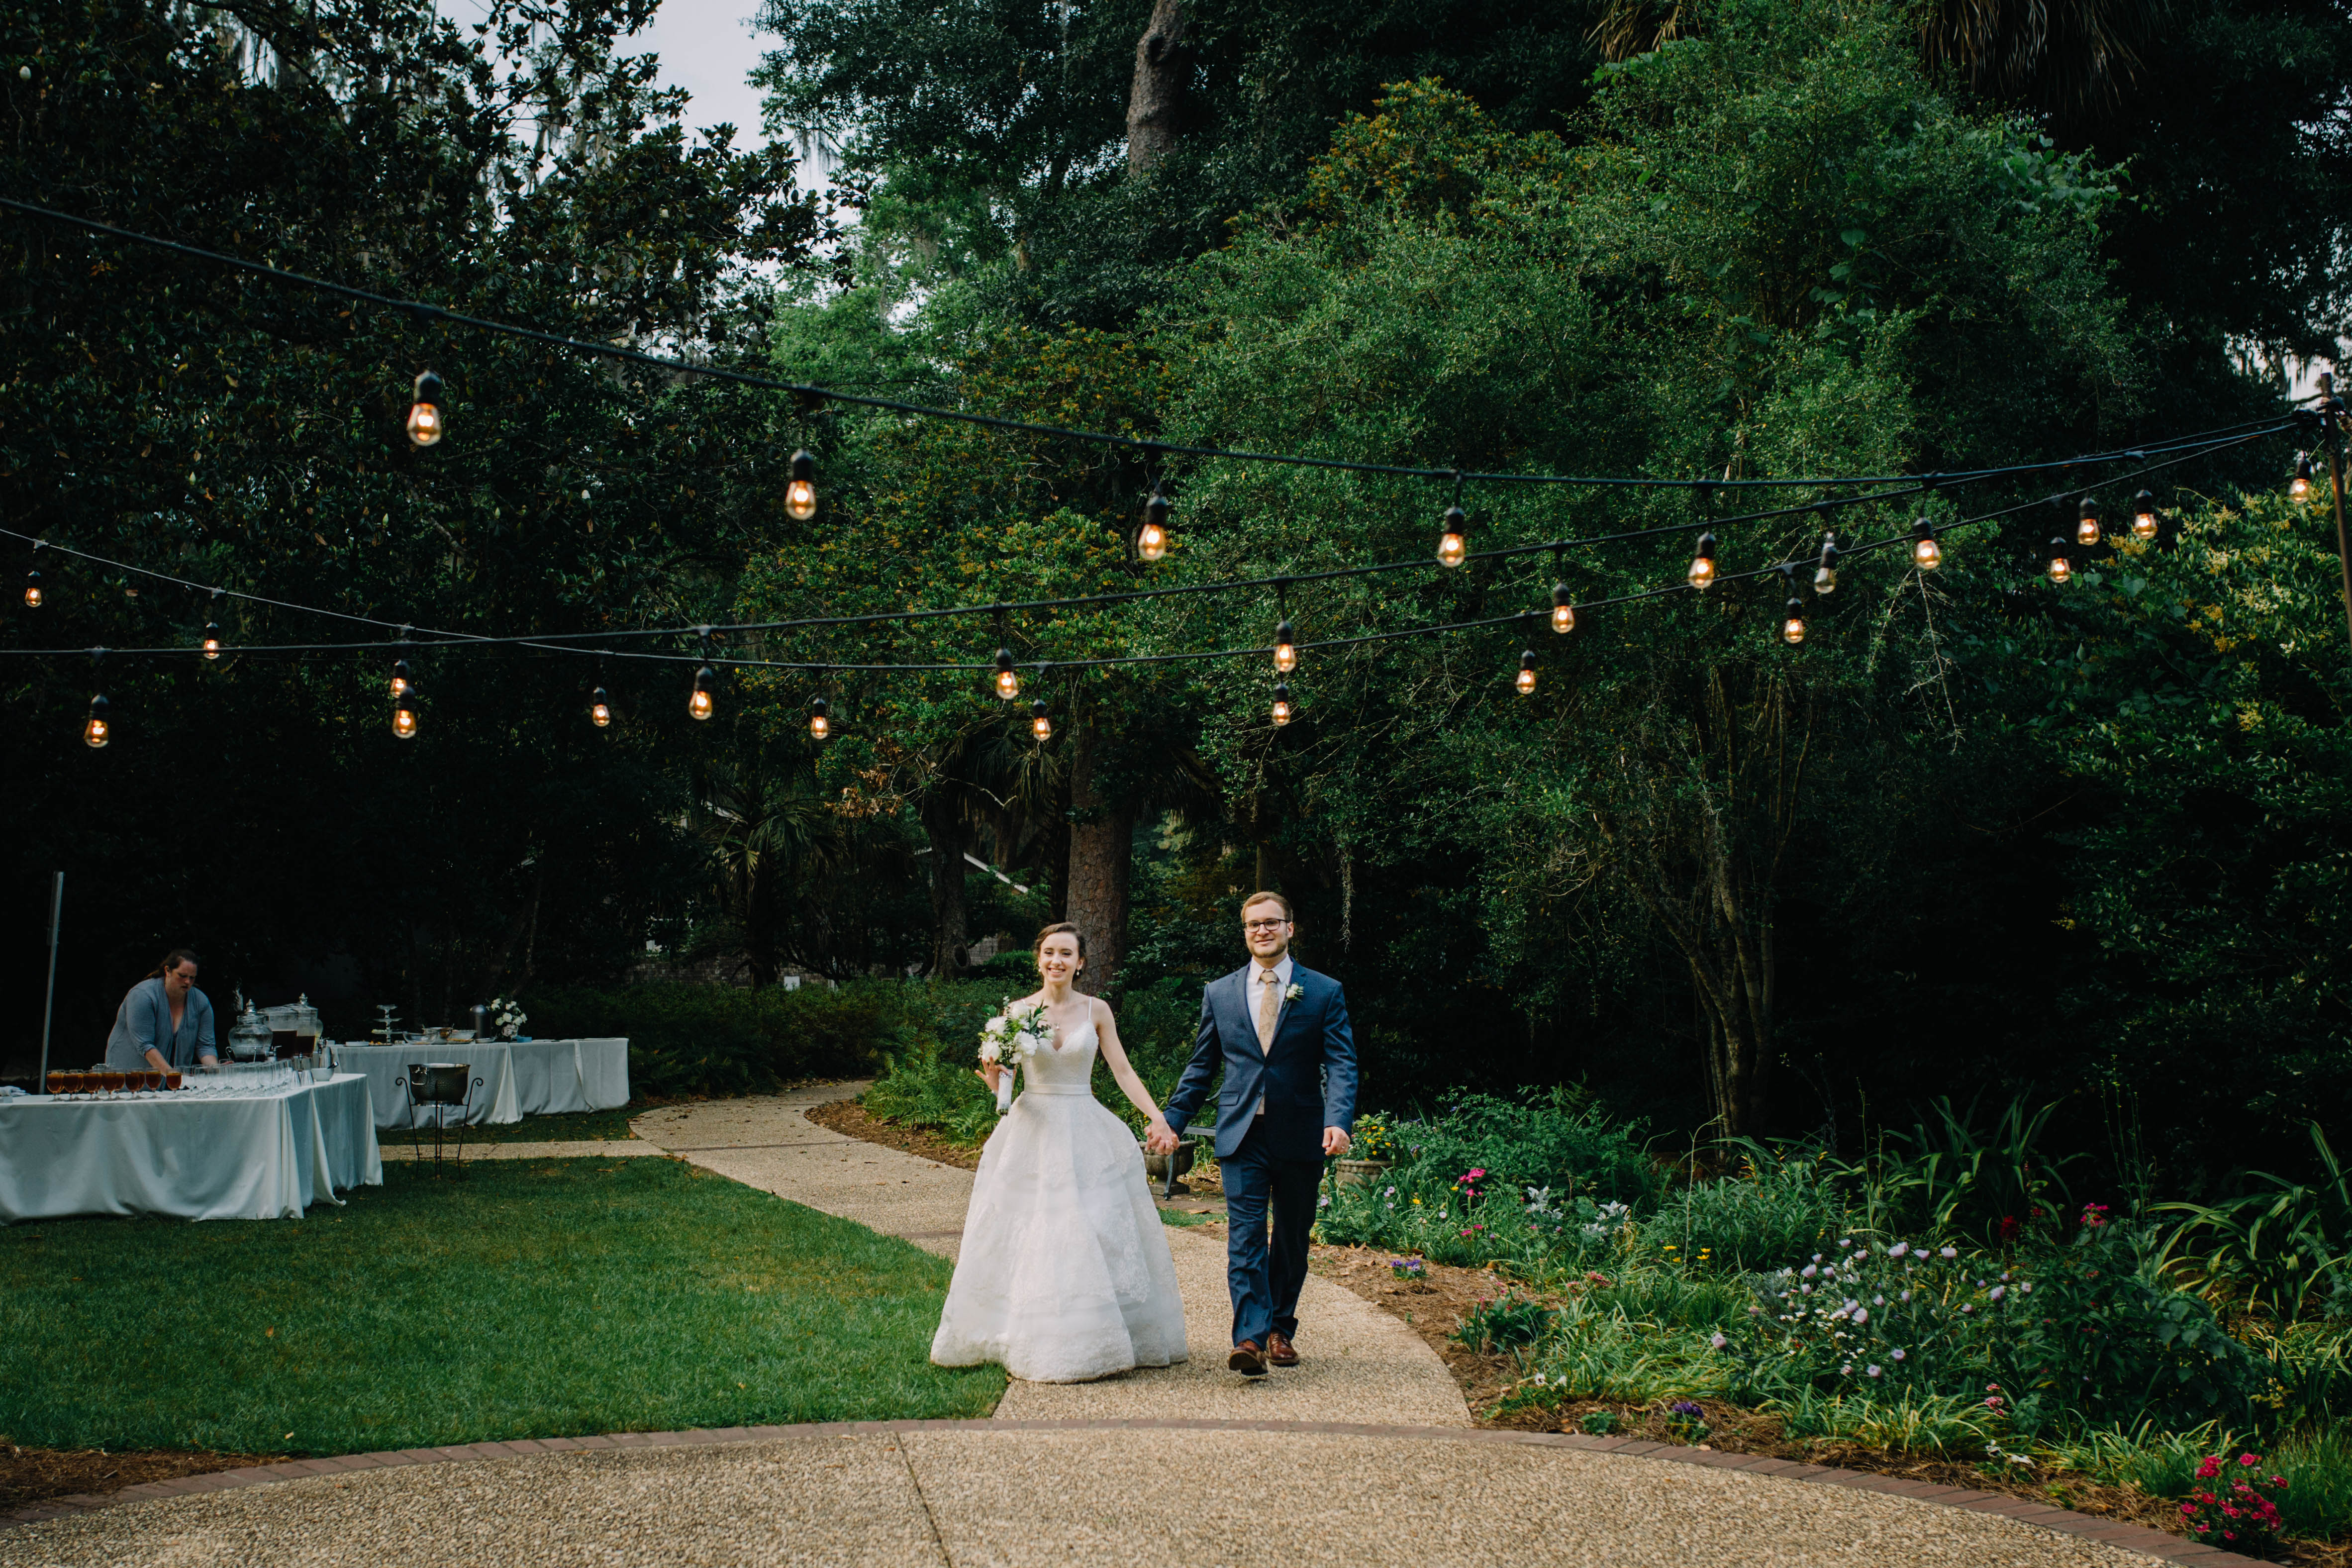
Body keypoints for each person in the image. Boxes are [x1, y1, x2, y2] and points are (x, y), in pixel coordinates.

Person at [930, 922, 1189, 1382]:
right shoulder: (1016, 1011)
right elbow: (1005, 1088)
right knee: (1032, 1230)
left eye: (1066, 954)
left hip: (1084, 1126)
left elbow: (1124, 1071)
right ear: (1038, 959)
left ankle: (1093, 1335)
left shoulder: (1097, 1010)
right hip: (1031, 1129)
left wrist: (1158, 1118)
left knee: (1086, 1228)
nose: (1057, 961)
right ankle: (1026, 1334)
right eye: (1049, 952)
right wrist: (995, 1083)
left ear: (1080, 962)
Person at [1152, 891, 1358, 1377]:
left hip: (1302, 1132)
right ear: (1244, 931)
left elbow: (1342, 1062)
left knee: (1290, 1238)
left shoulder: (1324, 991)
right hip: (1241, 1134)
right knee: (1245, 1238)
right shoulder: (1220, 993)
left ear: (1290, 927)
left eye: (1271, 922)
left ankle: (1279, 1328)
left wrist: (1339, 1119)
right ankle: (1249, 1336)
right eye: (1253, 925)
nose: (1262, 931)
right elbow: (1202, 1068)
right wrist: (1172, 1121)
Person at [103, 949, 218, 1073]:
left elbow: (205, 1046)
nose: (188, 982)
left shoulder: (201, 1002)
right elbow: (145, 1046)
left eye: (192, 978)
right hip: (126, 1079)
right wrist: (173, 1077)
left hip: (169, 1086)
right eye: (182, 976)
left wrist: (216, 1070)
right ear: (168, 971)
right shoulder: (143, 996)